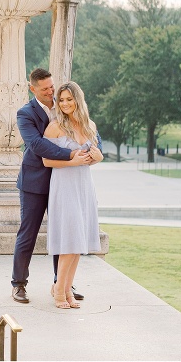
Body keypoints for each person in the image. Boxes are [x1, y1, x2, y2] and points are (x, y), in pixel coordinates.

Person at [11, 68, 92, 304]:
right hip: (35, 182)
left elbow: (85, 132)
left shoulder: (64, 104)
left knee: (65, 233)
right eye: (45, 89)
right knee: (28, 234)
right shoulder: (25, 113)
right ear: (32, 88)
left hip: (64, 183)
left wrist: (89, 152)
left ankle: (61, 284)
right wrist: (72, 155)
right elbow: (36, 145)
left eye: (51, 86)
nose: (50, 92)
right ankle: (19, 284)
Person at [43, 81, 103, 309]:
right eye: (61, 100)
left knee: (78, 242)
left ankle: (68, 289)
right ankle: (58, 289)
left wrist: (98, 158)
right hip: (64, 185)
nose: (65, 103)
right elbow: (46, 161)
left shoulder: (89, 126)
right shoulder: (55, 127)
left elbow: (95, 157)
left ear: (78, 100)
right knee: (69, 241)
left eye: (69, 99)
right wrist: (72, 160)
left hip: (84, 186)